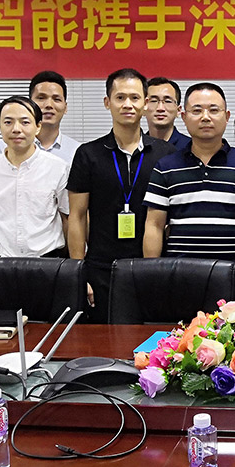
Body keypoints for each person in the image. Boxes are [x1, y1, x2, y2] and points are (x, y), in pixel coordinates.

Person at [143, 82, 235, 302]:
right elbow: (154, 225)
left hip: (234, 277)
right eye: (196, 110)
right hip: (179, 277)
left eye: (213, 110)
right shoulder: (165, 166)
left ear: (227, 116)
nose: (205, 117)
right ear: (184, 117)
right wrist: (153, 276)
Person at [67, 68, 176, 322]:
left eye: (135, 98)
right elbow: (77, 217)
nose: (128, 104)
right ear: (107, 102)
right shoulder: (88, 154)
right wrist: (78, 274)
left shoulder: (166, 154)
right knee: (102, 338)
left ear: (145, 103)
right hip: (100, 268)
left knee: (150, 338)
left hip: (151, 267)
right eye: (120, 97)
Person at [0, 96, 70, 258]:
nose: (16, 129)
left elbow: (67, 217)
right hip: (1, 259)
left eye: (25, 122)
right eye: (8, 122)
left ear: (38, 127)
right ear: (0, 126)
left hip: (48, 258)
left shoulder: (58, 167)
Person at [0, 70, 81, 164]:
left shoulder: (77, 151)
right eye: (41, 98)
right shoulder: (1, 149)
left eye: (56, 99)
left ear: (65, 107)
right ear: (30, 104)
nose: (49, 105)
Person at [145, 76, 190, 149]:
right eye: (153, 101)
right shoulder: (136, 148)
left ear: (178, 110)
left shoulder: (190, 147)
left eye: (168, 101)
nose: (160, 108)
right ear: (143, 108)